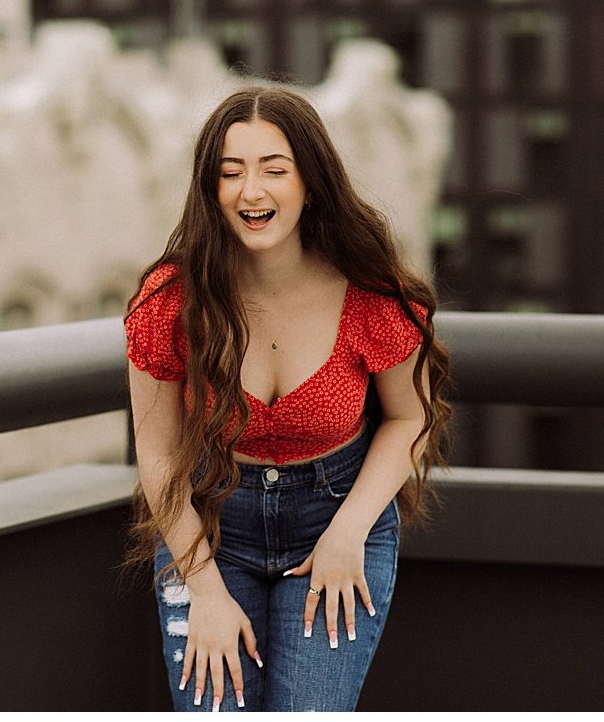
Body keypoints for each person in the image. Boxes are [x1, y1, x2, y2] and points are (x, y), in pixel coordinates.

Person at [124, 86, 451, 712]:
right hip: (210, 529)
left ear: (310, 181)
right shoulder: (170, 301)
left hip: (338, 519)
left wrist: (346, 534)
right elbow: (161, 456)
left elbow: (411, 418)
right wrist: (205, 592)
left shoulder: (369, 292)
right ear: (209, 189)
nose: (252, 192)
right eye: (231, 173)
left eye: (275, 170)